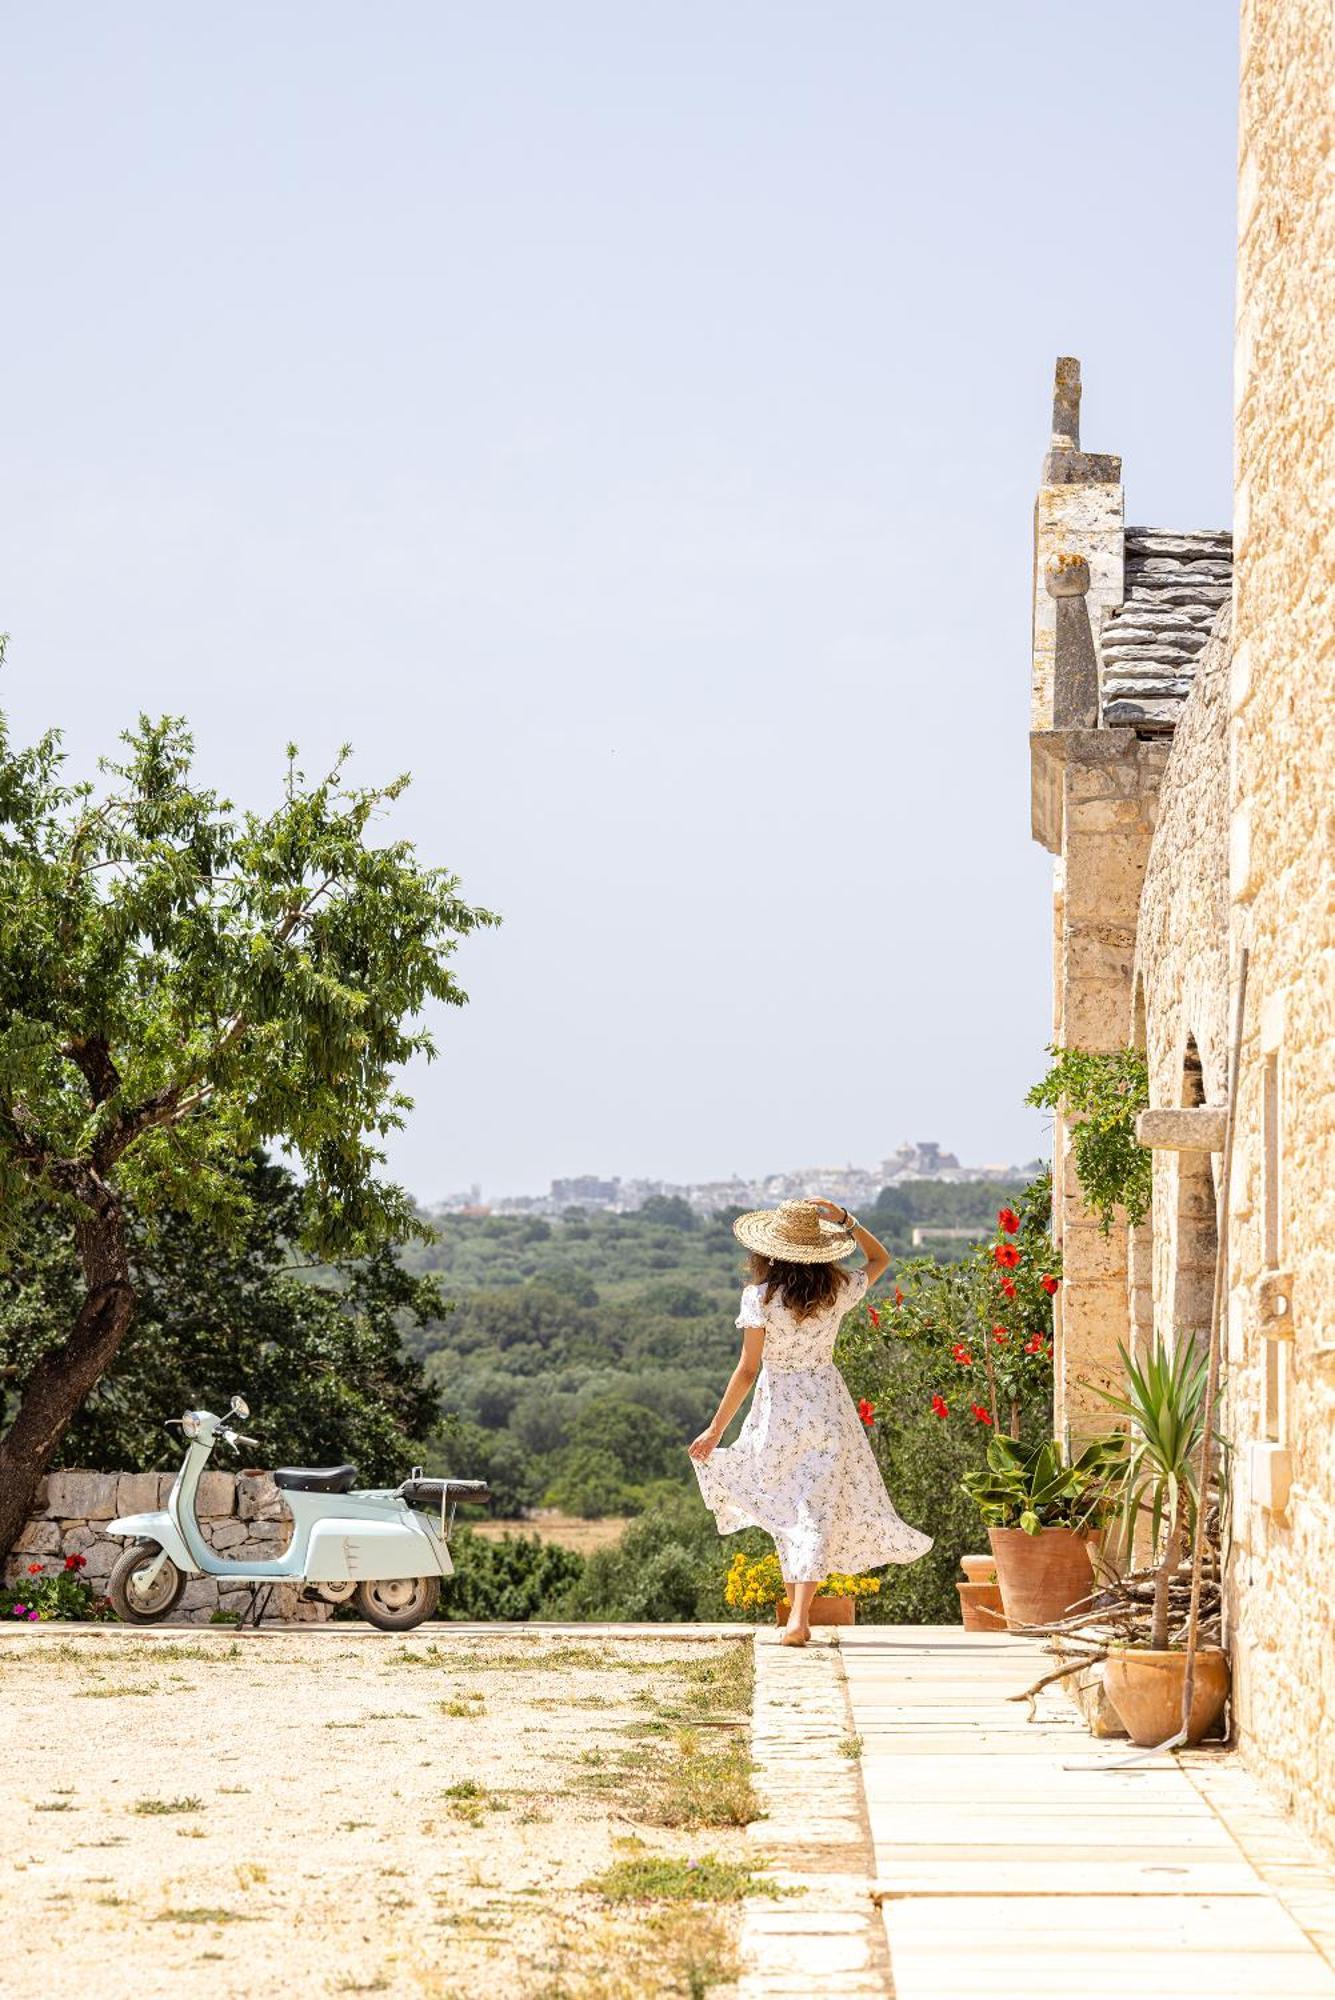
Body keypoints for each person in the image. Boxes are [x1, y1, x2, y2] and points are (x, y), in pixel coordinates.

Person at [688, 1197, 931, 1646]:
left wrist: (716, 1428)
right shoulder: (837, 1291)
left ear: (769, 1251)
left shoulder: (759, 1299)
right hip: (826, 1407)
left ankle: (797, 1619)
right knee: (812, 1511)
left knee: (786, 1507)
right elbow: (881, 1258)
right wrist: (846, 1221)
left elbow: (747, 1369)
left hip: (777, 1409)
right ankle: (799, 1616)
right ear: (821, 1252)